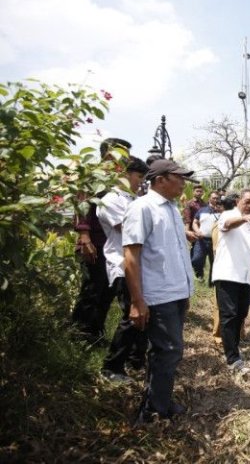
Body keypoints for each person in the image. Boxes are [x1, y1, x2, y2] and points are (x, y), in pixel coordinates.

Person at [122, 159, 195, 422]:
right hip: (160, 295)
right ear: (161, 179)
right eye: (180, 177)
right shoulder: (142, 208)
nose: (184, 183)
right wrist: (137, 300)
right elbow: (131, 256)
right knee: (169, 351)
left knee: (166, 352)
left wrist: (186, 290)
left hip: (176, 293)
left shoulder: (172, 209)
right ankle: (153, 411)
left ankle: (158, 402)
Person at [72, 137, 132, 344]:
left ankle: (95, 333)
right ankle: (80, 334)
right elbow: (82, 206)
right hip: (94, 243)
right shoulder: (93, 176)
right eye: (122, 153)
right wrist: (84, 236)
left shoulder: (119, 180)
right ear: (108, 153)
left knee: (107, 291)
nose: (126, 158)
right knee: (92, 289)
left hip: (111, 244)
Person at [97, 156, 149, 382]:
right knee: (131, 315)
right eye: (139, 177)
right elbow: (126, 227)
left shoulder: (135, 199)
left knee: (143, 316)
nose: (141, 182)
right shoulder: (111, 200)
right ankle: (111, 367)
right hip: (122, 264)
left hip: (140, 265)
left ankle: (136, 361)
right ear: (124, 174)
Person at [211, 189, 250, 374]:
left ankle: (233, 346)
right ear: (238, 200)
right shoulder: (228, 215)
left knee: (242, 313)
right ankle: (232, 359)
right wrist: (243, 218)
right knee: (229, 315)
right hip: (227, 274)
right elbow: (227, 225)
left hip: (245, 276)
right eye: (247, 202)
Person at [191, 191, 221, 284]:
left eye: (217, 198)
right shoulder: (202, 210)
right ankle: (199, 275)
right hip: (201, 240)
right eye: (213, 198)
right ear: (209, 198)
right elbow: (195, 222)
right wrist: (197, 231)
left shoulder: (222, 211)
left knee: (214, 262)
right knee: (196, 259)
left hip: (216, 241)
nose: (215, 200)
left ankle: (212, 283)